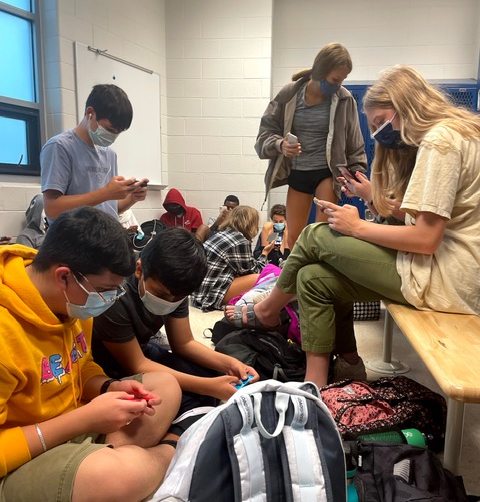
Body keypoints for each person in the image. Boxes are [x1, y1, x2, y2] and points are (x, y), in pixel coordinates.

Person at [227, 65, 480, 386]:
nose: (379, 132)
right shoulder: (456, 135)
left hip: (444, 278)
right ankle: (318, 383)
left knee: (316, 235)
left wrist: (356, 226)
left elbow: (426, 238)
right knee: (311, 277)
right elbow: (428, 220)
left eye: (380, 122)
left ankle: (267, 311)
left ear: (405, 103)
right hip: (444, 271)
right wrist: (372, 198)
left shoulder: (439, 141)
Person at [0, 207, 182, 502]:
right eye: (104, 289)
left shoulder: (69, 300)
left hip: (67, 426)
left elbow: (80, 365)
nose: (109, 299)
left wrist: (109, 386)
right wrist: (86, 419)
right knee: (118, 476)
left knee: (164, 384)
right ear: (64, 276)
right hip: (12, 466)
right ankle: (170, 451)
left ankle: (110, 476)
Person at [92, 227, 258, 405]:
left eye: (178, 298)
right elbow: (136, 365)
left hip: (142, 349)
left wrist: (230, 364)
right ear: (139, 270)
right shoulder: (114, 295)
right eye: (161, 295)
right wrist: (207, 387)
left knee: (215, 377)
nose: (169, 302)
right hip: (109, 365)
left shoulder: (176, 287)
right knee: (188, 396)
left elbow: (184, 343)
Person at [256, 42, 367, 249]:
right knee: (293, 240)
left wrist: (357, 176)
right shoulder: (289, 95)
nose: (339, 84)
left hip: (327, 171)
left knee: (320, 236)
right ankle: (294, 278)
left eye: (343, 79)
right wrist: (280, 145)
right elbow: (264, 135)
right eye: (335, 79)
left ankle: (317, 276)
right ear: (321, 71)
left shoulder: (344, 99)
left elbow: (355, 143)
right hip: (298, 171)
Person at [41, 84, 148, 223]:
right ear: (90, 113)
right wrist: (106, 193)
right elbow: (52, 209)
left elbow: (109, 209)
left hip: (105, 237)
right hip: (74, 241)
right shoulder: (60, 147)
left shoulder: (109, 154)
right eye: (110, 129)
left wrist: (132, 198)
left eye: (118, 132)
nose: (113, 136)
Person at [191, 205, 275, 311]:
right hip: (209, 295)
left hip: (199, 291)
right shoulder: (239, 241)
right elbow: (253, 271)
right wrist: (265, 253)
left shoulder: (222, 234)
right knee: (262, 278)